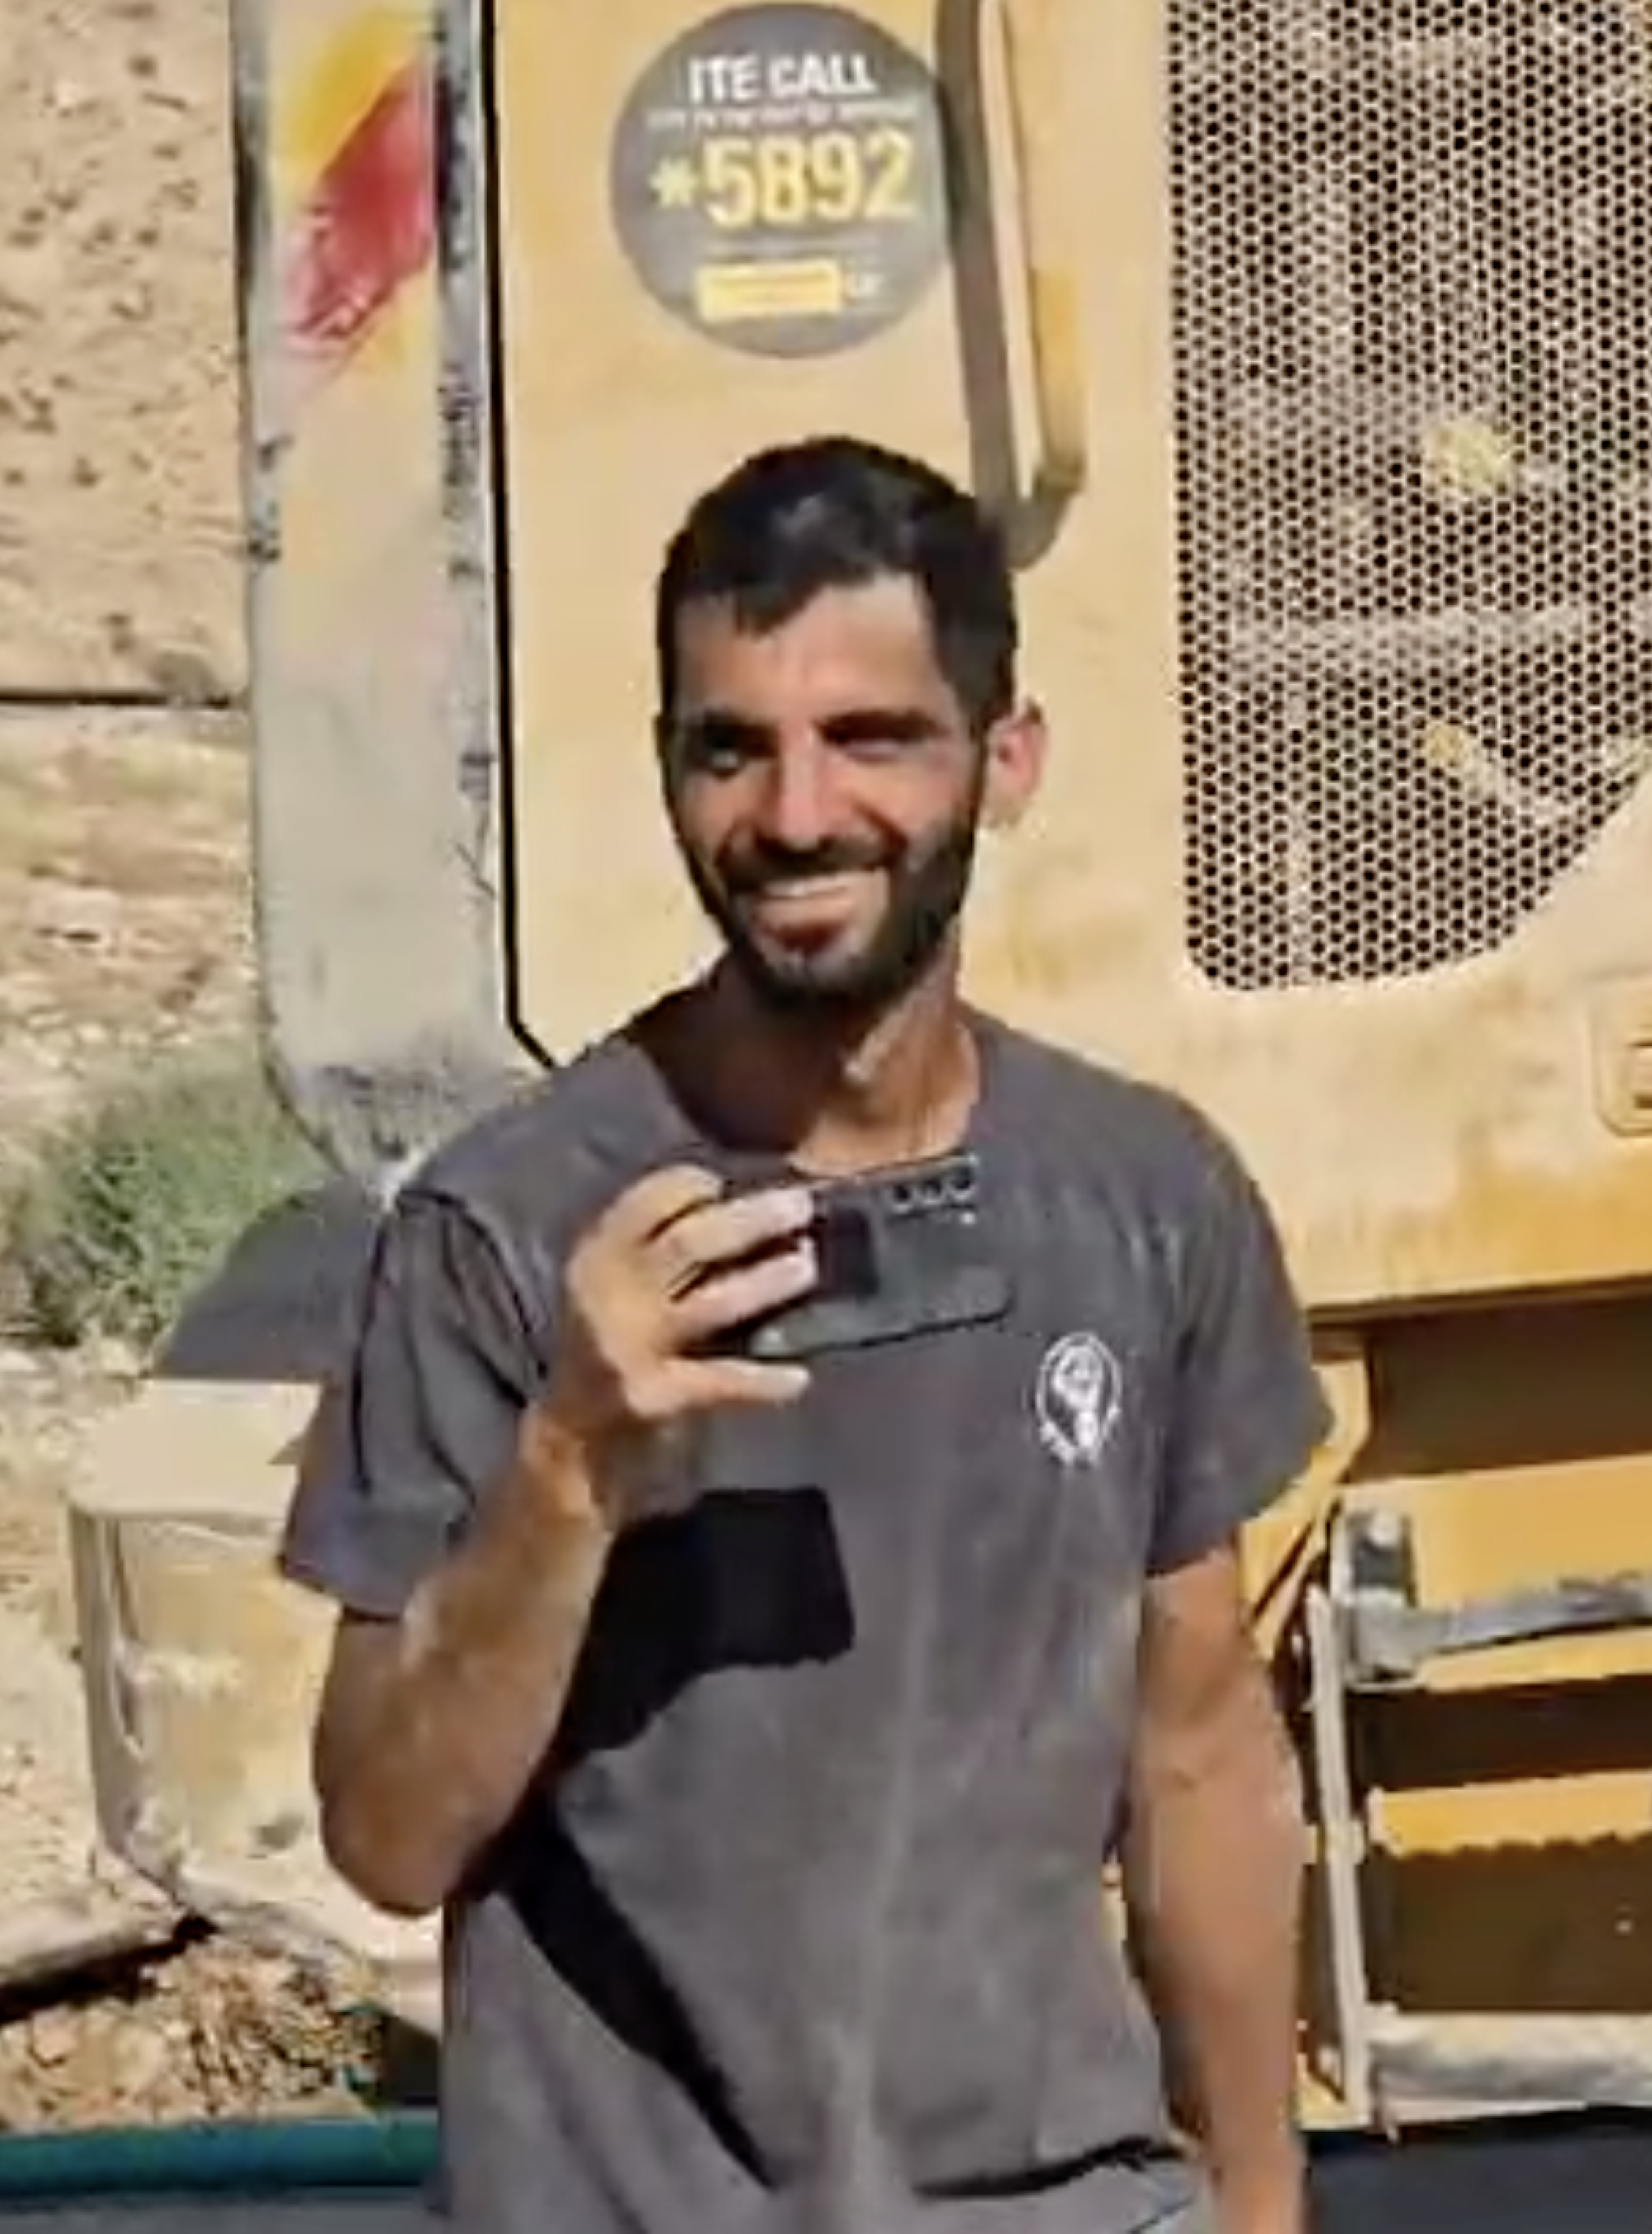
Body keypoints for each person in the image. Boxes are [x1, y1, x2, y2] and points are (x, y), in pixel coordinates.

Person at [273, 434, 1329, 2234]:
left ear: (1005, 761)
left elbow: (1200, 1747)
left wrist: (1257, 2192)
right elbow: (387, 1836)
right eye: (730, 745)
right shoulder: (507, 1230)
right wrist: (569, 1462)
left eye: (873, 738)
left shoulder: (1144, 1197)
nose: (794, 813)